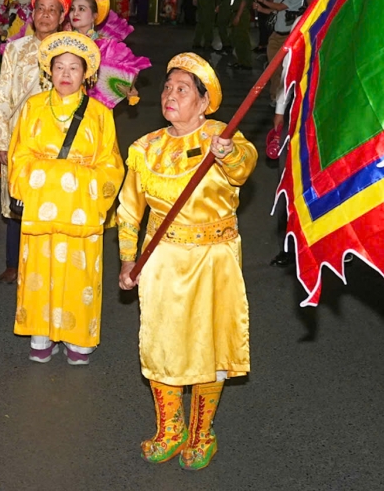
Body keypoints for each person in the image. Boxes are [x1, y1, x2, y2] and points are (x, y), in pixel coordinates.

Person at [116, 53, 257, 471]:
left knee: (207, 348)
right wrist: (128, 259)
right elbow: (129, 210)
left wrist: (228, 153)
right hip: (163, 260)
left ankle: (202, 433)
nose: (170, 95)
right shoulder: (146, 148)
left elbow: (243, 169)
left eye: (182, 89)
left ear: (202, 101)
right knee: (163, 346)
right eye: (167, 87)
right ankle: (170, 429)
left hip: (215, 260)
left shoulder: (222, 137)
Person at [8, 32, 123, 365]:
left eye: (74, 67)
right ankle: (40, 334)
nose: (66, 74)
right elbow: (19, 154)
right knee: (39, 271)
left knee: (78, 273)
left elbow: (110, 164)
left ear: (86, 73)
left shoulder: (101, 113)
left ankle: (78, 339)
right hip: (41, 208)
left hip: (80, 209)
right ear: (49, 71)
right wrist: (42, 180)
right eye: (59, 67)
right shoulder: (32, 107)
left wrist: (69, 180)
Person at [0, 0, 70, 284]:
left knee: (52, 198)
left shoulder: (70, 51)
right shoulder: (16, 50)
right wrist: (1, 140)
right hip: (20, 136)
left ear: (62, 17)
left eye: (53, 10)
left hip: (59, 138)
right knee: (17, 199)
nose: (46, 15)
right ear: (32, 12)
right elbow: (3, 97)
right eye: (41, 8)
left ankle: (49, 262)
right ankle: (14, 262)